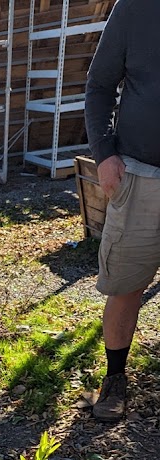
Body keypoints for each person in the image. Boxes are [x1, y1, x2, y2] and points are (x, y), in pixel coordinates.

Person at [85, 0, 160, 423]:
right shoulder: (136, 7)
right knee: (126, 285)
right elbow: (99, 85)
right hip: (140, 173)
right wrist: (104, 154)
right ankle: (114, 378)